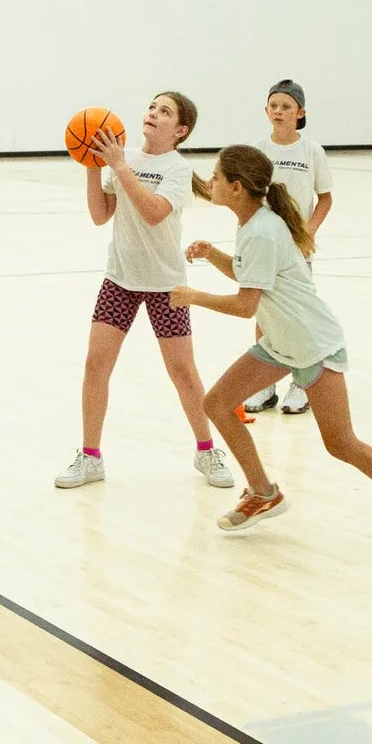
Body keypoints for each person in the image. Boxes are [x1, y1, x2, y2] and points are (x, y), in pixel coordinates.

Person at [174, 144, 372, 553]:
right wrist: (215, 254)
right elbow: (253, 275)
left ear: (236, 188)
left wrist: (194, 296)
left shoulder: (261, 230)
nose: (211, 182)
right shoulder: (255, 223)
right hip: (282, 343)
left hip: (312, 344)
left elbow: (244, 305)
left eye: (216, 177)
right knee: (217, 404)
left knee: (341, 442)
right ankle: (262, 492)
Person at [56, 91, 234, 491]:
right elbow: (101, 216)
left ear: (181, 130)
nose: (154, 114)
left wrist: (119, 166)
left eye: (165, 111)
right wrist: (91, 165)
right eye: (152, 107)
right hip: (119, 279)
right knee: (95, 366)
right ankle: (90, 458)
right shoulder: (125, 158)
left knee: (183, 373)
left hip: (165, 285)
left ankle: (206, 449)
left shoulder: (177, 169)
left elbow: (154, 214)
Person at [244, 79, 334, 416]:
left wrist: (307, 233)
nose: (279, 111)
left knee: (297, 313)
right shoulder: (256, 150)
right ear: (266, 110)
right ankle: (264, 384)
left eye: (286, 106)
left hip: (297, 249)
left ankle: (301, 382)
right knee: (263, 311)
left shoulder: (311, 151)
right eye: (274, 105)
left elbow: (325, 198)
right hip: (264, 245)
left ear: (301, 112)